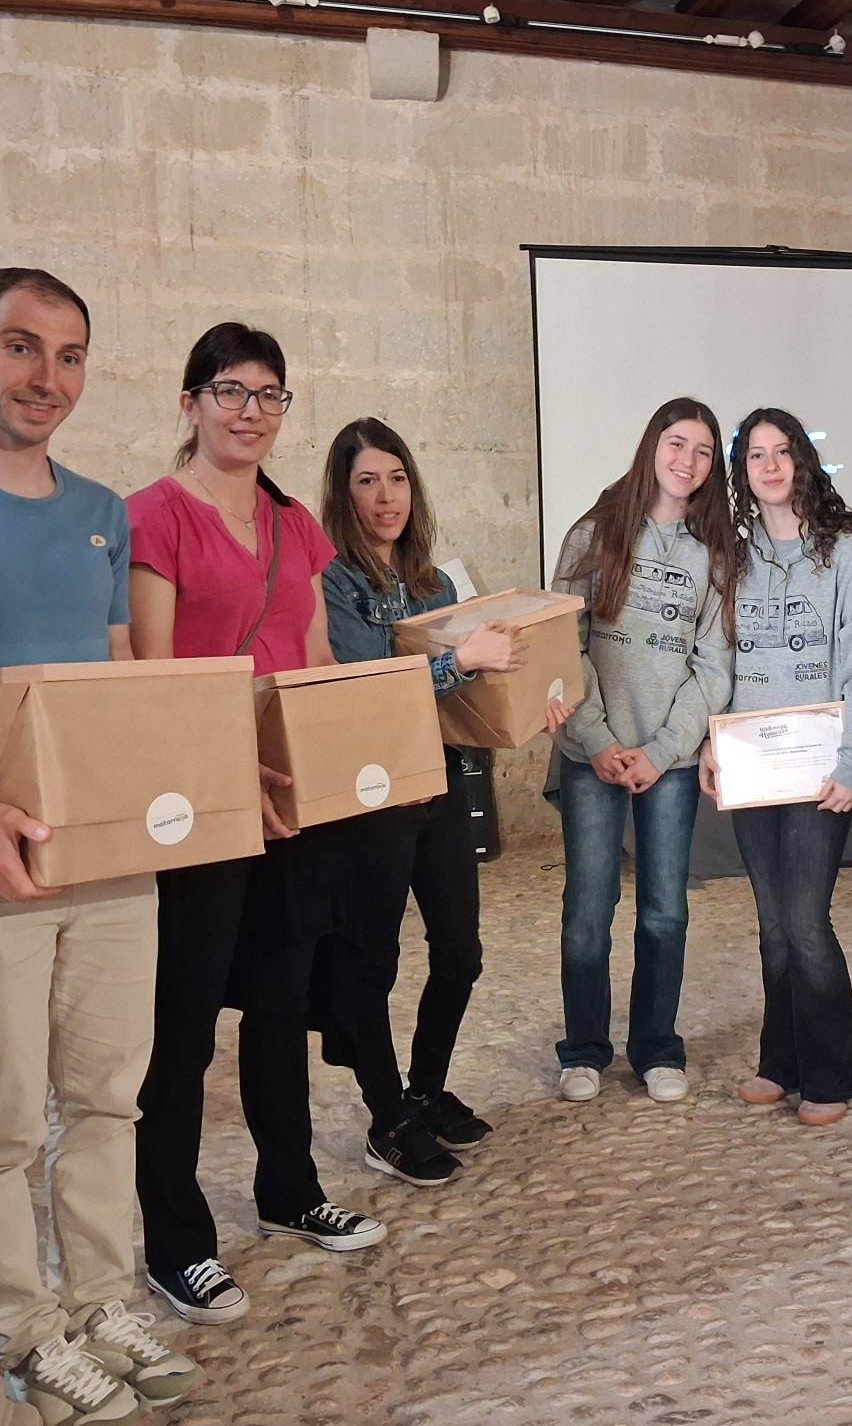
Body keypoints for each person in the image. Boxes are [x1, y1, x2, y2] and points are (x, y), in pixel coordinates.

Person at [0, 268, 199, 1424]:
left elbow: (115, 681)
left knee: (107, 1097)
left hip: (107, 855)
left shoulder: (102, 512)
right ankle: (19, 1331)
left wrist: (186, 787)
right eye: (21, 347)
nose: (46, 377)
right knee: (1, 1121)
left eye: (69, 356)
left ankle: (105, 1301)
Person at [127, 323, 383, 1327]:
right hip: (198, 801)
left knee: (281, 1006)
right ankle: (176, 1242)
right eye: (230, 390)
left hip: (288, 804)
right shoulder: (153, 517)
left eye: (269, 395)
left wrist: (340, 762)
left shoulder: (293, 524)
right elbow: (153, 677)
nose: (250, 411)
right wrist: (233, 765)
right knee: (184, 1029)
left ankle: (290, 1188)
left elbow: (312, 659)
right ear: (191, 402)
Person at [314, 416, 573, 1185]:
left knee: (461, 953)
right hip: (375, 794)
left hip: (443, 779)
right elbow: (368, 690)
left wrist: (532, 702)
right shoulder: (334, 582)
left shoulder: (436, 584)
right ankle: (386, 1118)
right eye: (367, 481)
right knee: (373, 963)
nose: (385, 496)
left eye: (396, 478)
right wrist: (459, 659)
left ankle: (425, 1091)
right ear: (343, 494)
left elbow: (470, 699)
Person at [698, 408, 852, 1126]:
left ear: (804, 461)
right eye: (756, 455)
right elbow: (716, 663)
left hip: (820, 771)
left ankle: (831, 1074)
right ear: (742, 473)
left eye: (782, 452)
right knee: (773, 924)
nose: (771, 466)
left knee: (807, 923)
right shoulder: (730, 559)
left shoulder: (846, 558)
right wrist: (711, 743)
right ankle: (779, 1064)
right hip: (752, 768)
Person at [549, 397, 737, 1104]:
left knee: (664, 911)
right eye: (677, 443)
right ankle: (583, 1050)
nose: (688, 461)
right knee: (587, 909)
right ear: (652, 446)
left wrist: (660, 751)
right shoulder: (593, 534)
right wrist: (598, 739)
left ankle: (657, 1046)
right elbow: (564, 645)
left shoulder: (716, 553)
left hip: (670, 763)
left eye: (703, 451)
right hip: (589, 754)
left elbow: (713, 668)